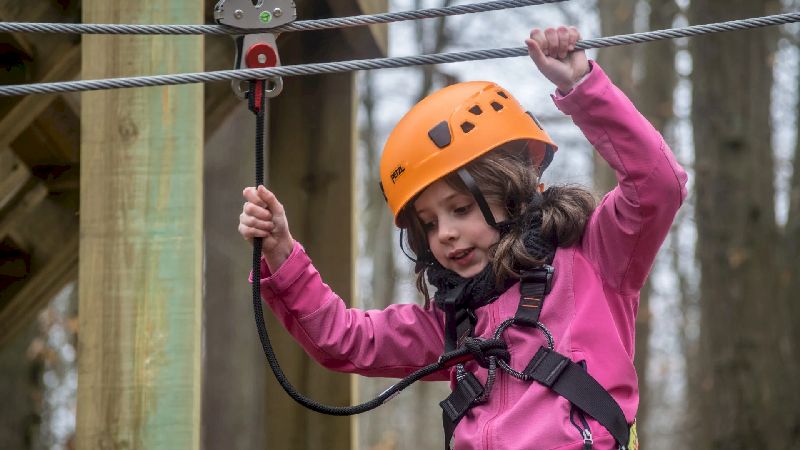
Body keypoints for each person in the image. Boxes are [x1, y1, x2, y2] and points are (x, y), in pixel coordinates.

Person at [238, 25, 687, 450]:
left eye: (460, 209)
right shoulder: (455, 325)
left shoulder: (591, 258)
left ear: (511, 192)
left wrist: (582, 88)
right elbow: (348, 340)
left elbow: (657, 185)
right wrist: (282, 254)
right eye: (429, 224)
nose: (446, 234)